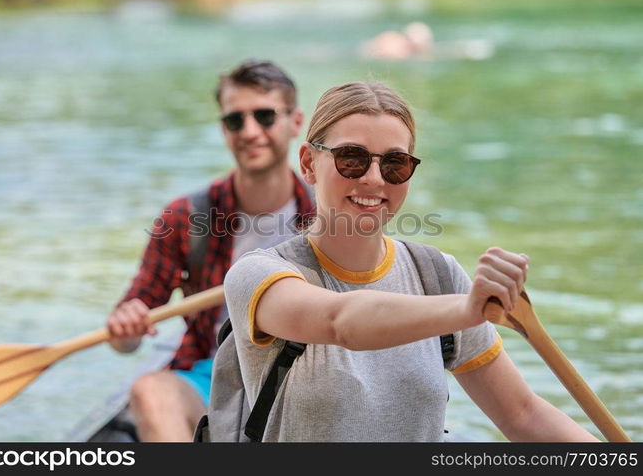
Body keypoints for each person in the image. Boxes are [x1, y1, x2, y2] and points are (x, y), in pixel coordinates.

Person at [223, 81, 599, 441]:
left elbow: (523, 415)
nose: (373, 179)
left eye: (395, 164)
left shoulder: (437, 276)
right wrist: (468, 309)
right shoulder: (258, 275)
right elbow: (342, 323)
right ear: (308, 163)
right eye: (351, 158)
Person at [106, 60, 315, 441]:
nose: (250, 132)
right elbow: (127, 339)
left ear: (295, 122)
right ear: (224, 129)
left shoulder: (330, 217)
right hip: (214, 376)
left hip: (309, 379)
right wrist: (126, 325)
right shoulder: (185, 217)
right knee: (149, 391)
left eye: (265, 116)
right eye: (236, 120)